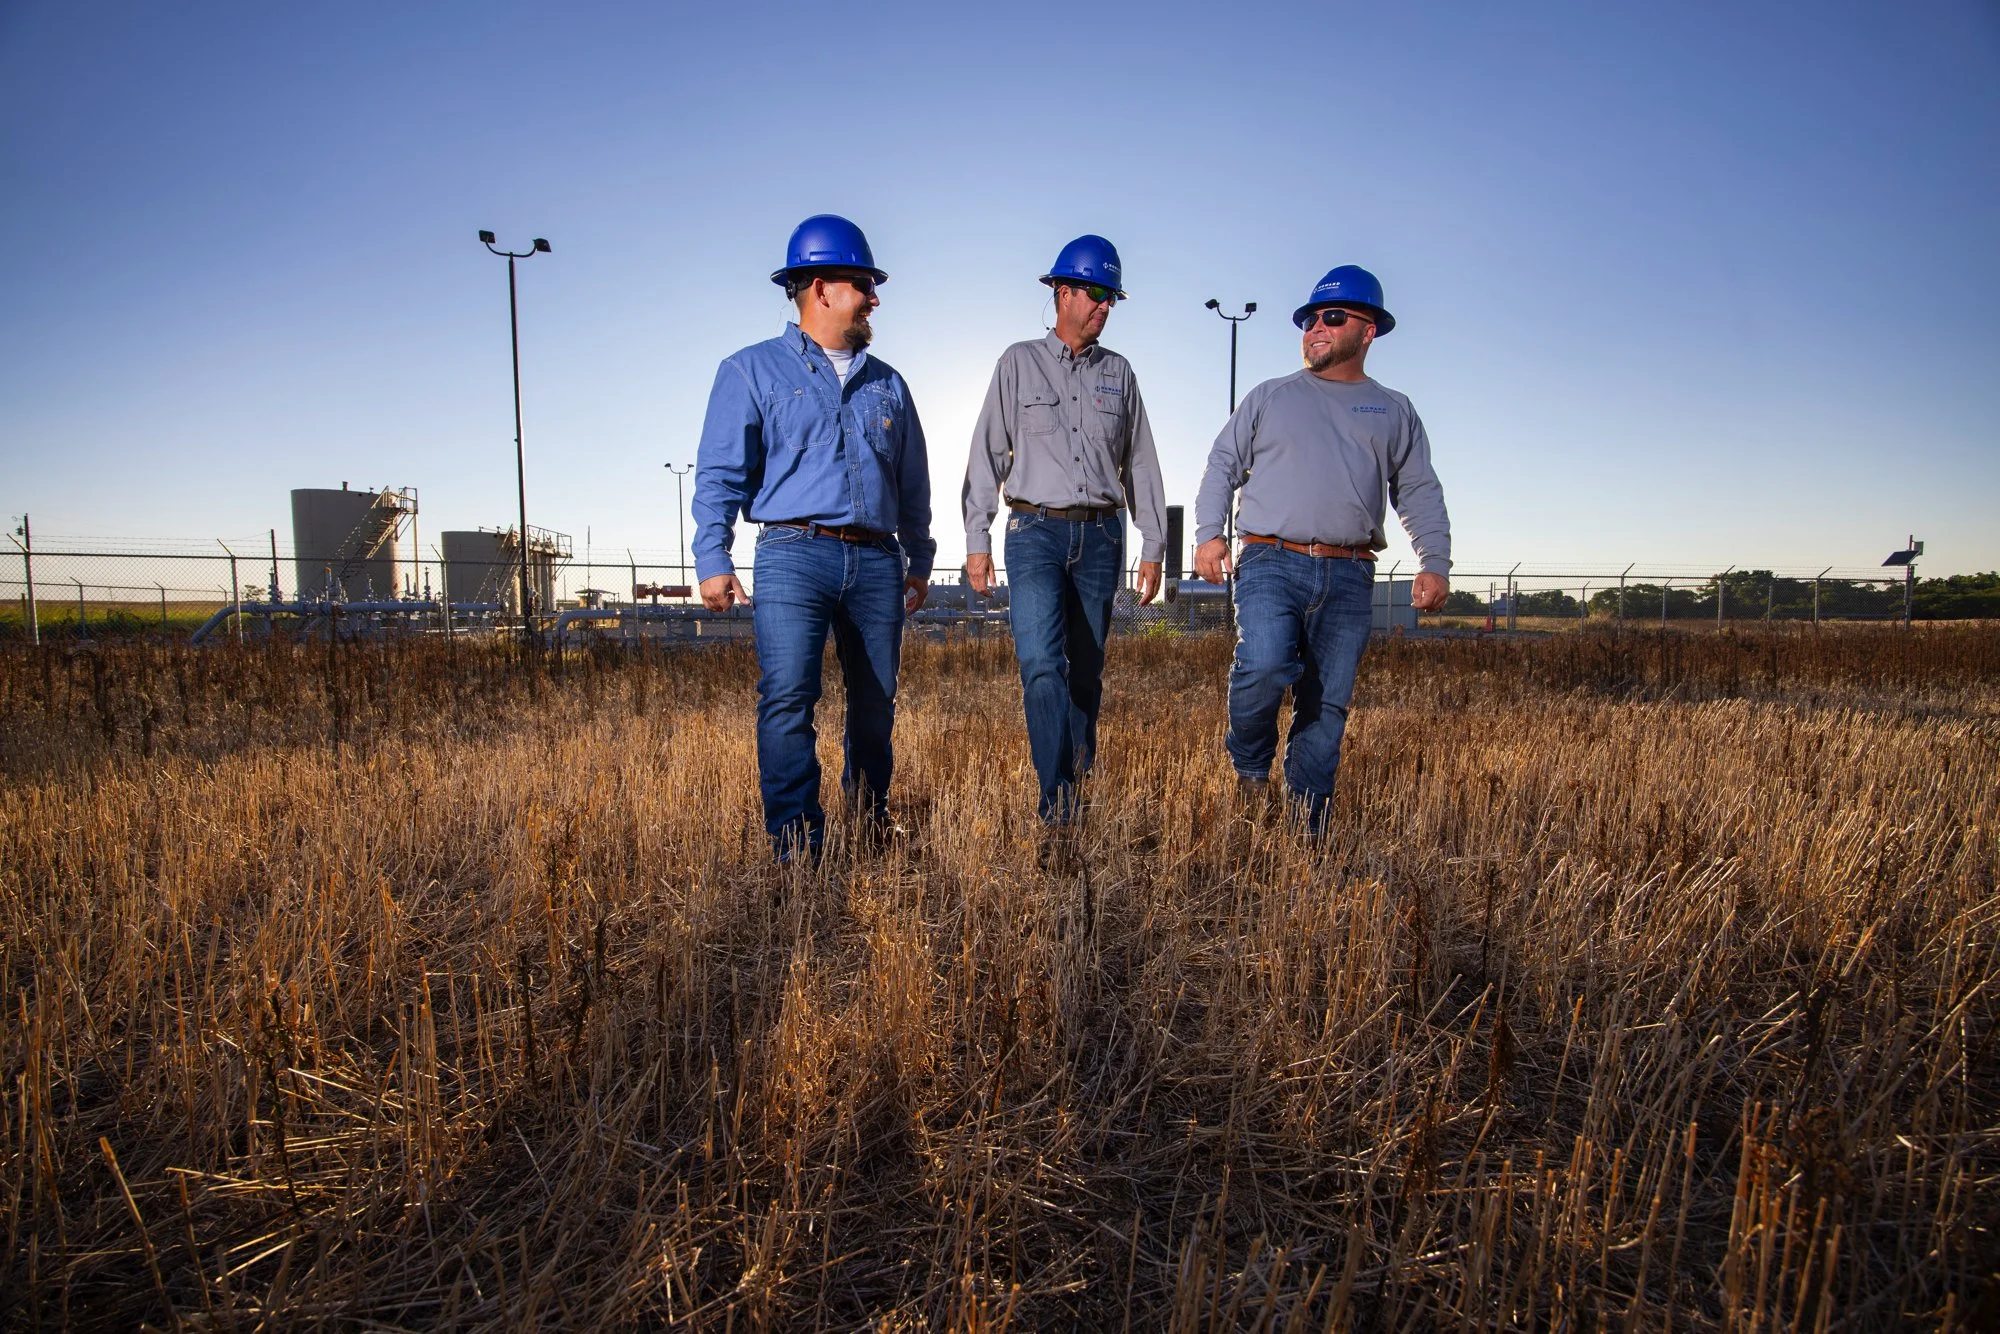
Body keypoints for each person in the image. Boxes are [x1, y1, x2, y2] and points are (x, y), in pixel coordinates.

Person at [691, 214, 934, 860]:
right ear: (821, 288)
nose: (875, 297)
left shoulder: (889, 384)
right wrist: (712, 555)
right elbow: (719, 472)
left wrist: (921, 557)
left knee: (876, 704)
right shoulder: (749, 373)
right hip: (792, 556)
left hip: (879, 562)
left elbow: (914, 483)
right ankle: (797, 844)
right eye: (863, 284)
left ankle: (870, 819)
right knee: (789, 698)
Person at [1192, 265, 1451, 835]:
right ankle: (1251, 769)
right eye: (1308, 318)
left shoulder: (1394, 409)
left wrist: (1434, 560)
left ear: (1369, 330)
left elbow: (1418, 489)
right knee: (1262, 666)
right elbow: (1221, 466)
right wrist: (1209, 533)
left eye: (1331, 317)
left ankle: (1307, 831)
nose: (1315, 328)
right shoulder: (1270, 397)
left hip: (1350, 573)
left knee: (1326, 708)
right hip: (1270, 561)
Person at [962, 235, 1167, 824]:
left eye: (1113, 299)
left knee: (1087, 670)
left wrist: (1153, 543)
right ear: (1065, 292)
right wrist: (978, 538)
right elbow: (987, 453)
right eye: (1099, 294)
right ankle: (1058, 803)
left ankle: (1077, 780)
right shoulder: (1017, 363)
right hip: (1034, 535)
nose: (1106, 307)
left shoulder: (1119, 374)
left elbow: (1142, 463)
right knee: (1042, 665)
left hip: (1102, 538)